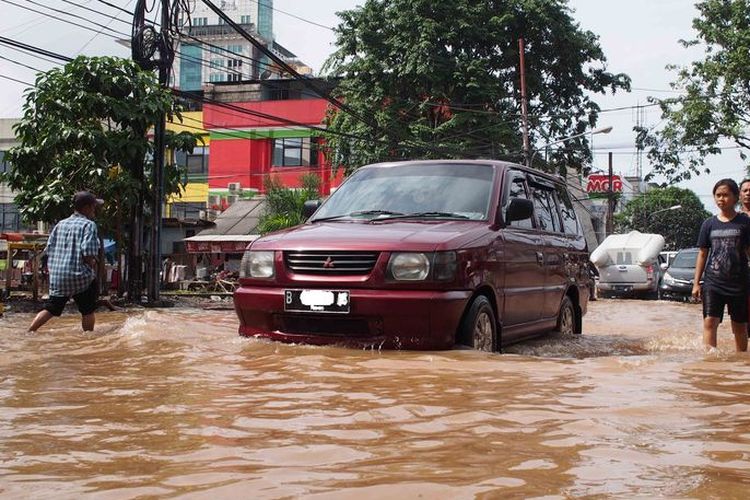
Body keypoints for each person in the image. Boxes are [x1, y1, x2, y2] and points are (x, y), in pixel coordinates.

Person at [29, 191, 104, 332]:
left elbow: (49, 249)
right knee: (88, 310)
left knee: (52, 307)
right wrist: (93, 265)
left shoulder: (60, 224)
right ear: (87, 208)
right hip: (79, 276)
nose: (95, 210)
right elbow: (88, 254)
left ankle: (31, 331)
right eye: (94, 207)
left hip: (58, 277)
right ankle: (89, 338)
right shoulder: (89, 225)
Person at [692, 179, 750, 352]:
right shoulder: (708, 224)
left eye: (725, 195)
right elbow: (703, 253)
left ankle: (741, 361)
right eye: (718, 195)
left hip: (739, 282)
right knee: (710, 321)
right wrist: (696, 283)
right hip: (713, 282)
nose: (721, 199)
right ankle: (710, 360)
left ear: (735, 197)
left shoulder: (745, 223)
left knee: (739, 326)